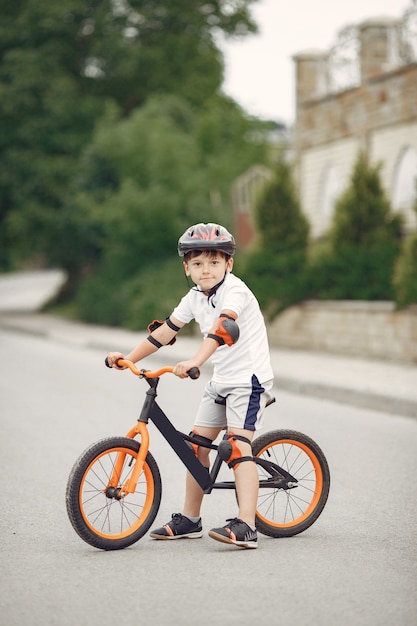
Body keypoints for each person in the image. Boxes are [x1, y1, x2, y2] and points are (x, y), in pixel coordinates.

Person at [106, 223, 273, 549]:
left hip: (249, 382)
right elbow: (166, 331)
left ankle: (248, 526)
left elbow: (223, 327)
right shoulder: (195, 297)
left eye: (214, 262)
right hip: (221, 380)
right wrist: (128, 358)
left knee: (238, 447)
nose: (206, 270)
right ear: (187, 268)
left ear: (229, 264)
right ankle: (190, 519)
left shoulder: (235, 292)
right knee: (196, 447)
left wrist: (196, 360)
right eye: (197, 264)